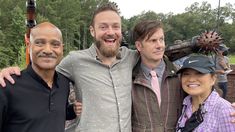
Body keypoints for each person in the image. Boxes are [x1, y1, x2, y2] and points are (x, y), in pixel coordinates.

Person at [0, 22, 76, 132]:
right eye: (40, 43)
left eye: (55, 44)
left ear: (62, 49)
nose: (48, 50)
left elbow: (53, 113)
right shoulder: (7, 86)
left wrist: (73, 110)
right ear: (29, 46)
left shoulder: (64, 84)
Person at [131, 20, 186, 131]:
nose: (160, 45)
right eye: (153, 41)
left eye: (161, 39)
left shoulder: (180, 76)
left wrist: (229, 108)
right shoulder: (128, 79)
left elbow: (205, 96)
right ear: (139, 45)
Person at [176, 55, 235, 131]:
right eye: (186, 74)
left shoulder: (224, 110)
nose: (191, 79)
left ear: (213, 79)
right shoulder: (185, 104)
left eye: (199, 73)